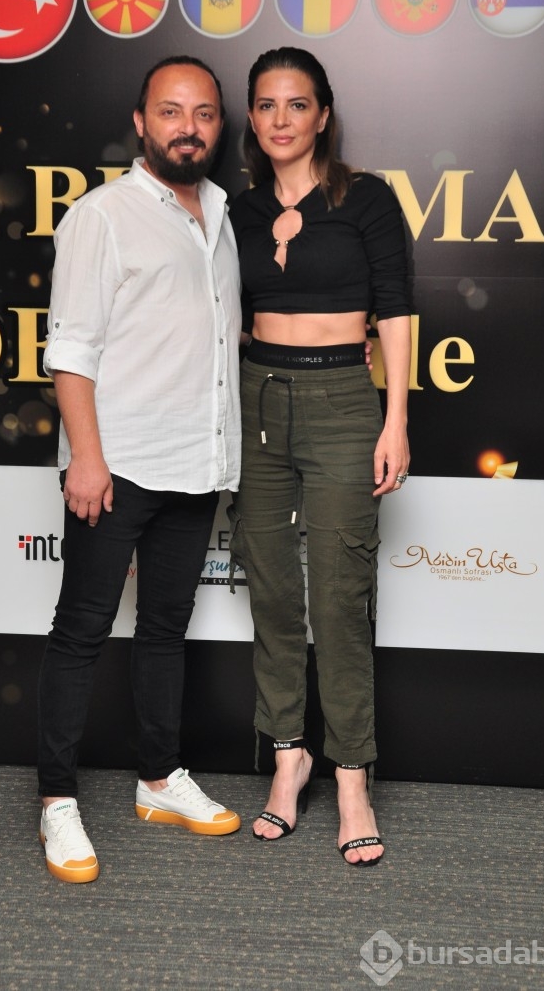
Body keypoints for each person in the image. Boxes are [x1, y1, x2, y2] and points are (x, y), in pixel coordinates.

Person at [37, 56, 243, 883]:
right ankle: (56, 802)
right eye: (170, 111)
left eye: (203, 113)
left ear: (217, 125)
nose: (187, 127)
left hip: (195, 463)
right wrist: (86, 459)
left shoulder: (221, 214)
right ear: (141, 122)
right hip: (116, 466)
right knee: (81, 632)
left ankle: (158, 780)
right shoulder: (104, 216)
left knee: (164, 630)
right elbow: (71, 349)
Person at [228, 47, 411, 866]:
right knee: (271, 589)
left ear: (323, 114)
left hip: (343, 400)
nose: (281, 119)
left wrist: (394, 418)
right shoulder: (238, 211)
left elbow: (396, 309)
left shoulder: (365, 198)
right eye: (266, 105)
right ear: (252, 117)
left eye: (296, 104)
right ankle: (287, 757)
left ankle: (350, 777)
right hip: (257, 399)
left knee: (340, 597)